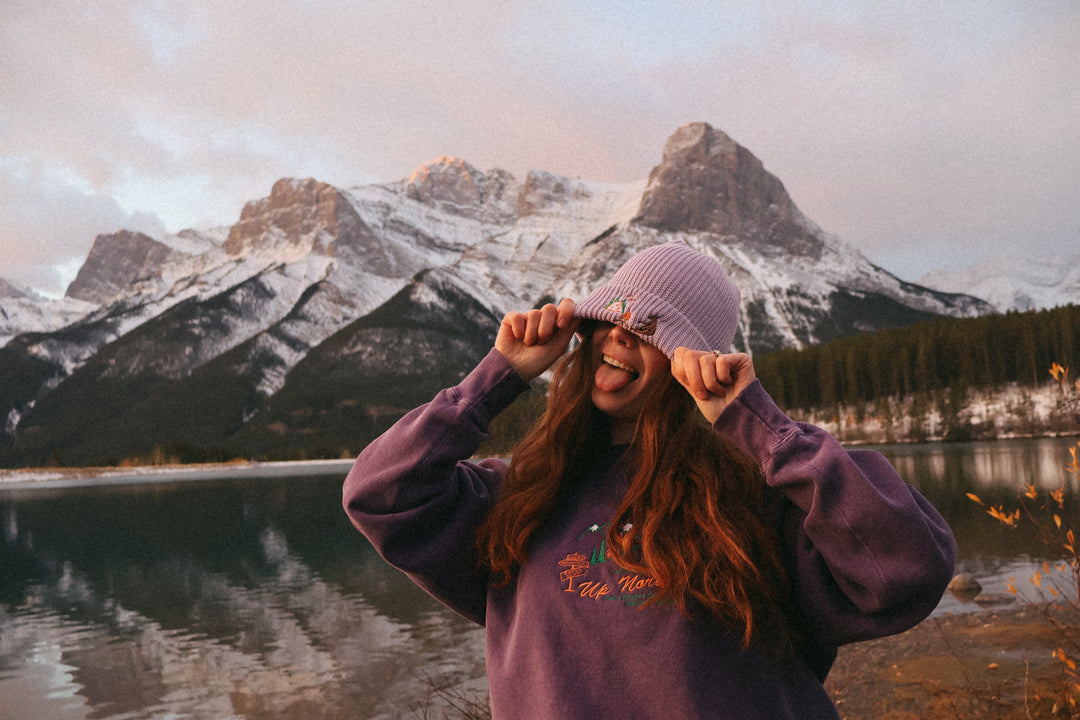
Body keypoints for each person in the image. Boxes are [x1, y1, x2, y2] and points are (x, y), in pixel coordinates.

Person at [343, 239, 957, 719]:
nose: (617, 333)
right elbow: (377, 494)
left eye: (647, 330)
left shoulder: (757, 494)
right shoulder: (518, 497)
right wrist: (496, 378)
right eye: (606, 320)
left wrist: (759, 425)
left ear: (691, 361)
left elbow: (907, 567)